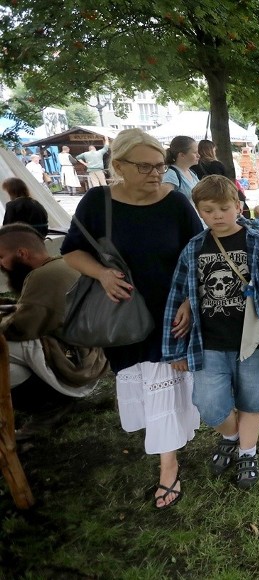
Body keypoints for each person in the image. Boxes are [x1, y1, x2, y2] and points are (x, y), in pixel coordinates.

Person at [61, 128, 203, 509]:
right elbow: (72, 252)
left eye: (160, 165)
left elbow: (199, 254)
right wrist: (102, 274)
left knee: (164, 381)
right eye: (145, 166)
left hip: (171, 312)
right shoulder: (97, 202)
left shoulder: (176, 203)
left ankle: (168, 468)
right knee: (145, 379)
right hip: (122, 314)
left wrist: (190, 299)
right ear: (119, 165)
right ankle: (168, 445)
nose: (156, 174)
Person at [163, 175, 259, 490]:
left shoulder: (258, 243)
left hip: (252, 342)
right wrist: (175, 349)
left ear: (238, 206)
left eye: (224, 208)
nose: (217, 216)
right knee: (208, 403)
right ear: (199, 211)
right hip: (208, 342)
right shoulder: (194, 248)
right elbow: (177, 296)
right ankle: (230, 435)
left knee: (252, 398)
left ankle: (247, 451)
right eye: (208, 210)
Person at [0, 224, 107, 399]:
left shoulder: (43, 276)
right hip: (94, 357)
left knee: (3, 343)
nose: (1, 264)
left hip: (75, 366)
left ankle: (50, 404)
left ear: (22, 253)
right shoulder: (65, 263)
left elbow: (21, 328)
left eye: (2, 256)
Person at [192, 139, 250, 216]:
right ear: (211, 151)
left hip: (202, 195)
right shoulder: (216, 165)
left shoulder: (194, 166)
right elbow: (225, 182)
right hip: (219, 194)